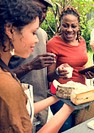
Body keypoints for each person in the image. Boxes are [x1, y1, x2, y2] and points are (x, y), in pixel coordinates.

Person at [0, 0, 74, 133]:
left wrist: (59, 97)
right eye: (33, 33)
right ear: (10, 30)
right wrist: (68, 109)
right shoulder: (7, 86)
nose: (37, 40)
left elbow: (27, 108)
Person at [47, 6, 94, 132]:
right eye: (65, 25)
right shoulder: (53, 43)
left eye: (73, 26)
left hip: (80, 93)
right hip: (60, 96)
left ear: (78, 26)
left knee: (81, 127)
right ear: (60, 25)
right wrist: (58, 72)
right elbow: (49, 76)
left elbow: (80, 66)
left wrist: (87, 73)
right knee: (66, 128)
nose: (69, 30)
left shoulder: (82, 41)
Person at [8, 0, 55, 131]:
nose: (41, 14)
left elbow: (46, 74)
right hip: (19, 106)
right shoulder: (10, 38)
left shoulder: (44, 34)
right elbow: (4, 76)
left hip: (42, 104)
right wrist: (30, 66)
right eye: (37, 8)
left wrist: (57, 73)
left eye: (45, 10)